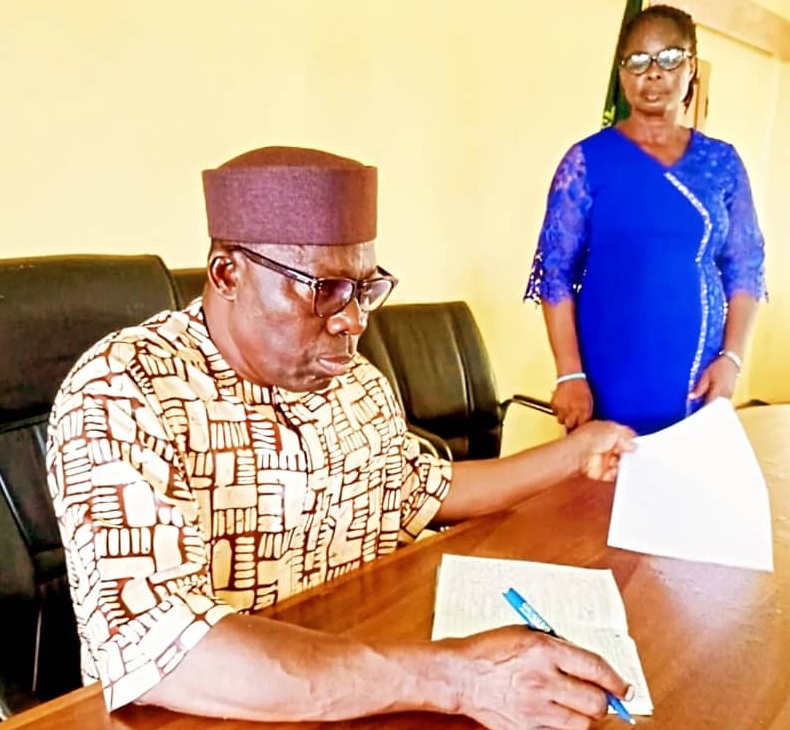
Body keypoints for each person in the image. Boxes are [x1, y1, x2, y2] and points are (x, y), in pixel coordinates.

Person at [47, 145, 635, 730]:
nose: (354, 319)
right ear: (228, 274)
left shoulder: (355, 382)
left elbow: (422, 489)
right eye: (323, 288)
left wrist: (575, 451)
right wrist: (459, 678)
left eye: (364, 289)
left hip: (355, 691)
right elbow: (169, 655)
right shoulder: (123, 390)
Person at [524, 4, 767, 436]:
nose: (652, 73)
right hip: (607, 371)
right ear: (621, 74)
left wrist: (732, 358)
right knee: (606, 473)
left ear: (691, 67)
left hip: (699, 374)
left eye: (669, 58)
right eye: (637, 60)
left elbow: (746, 267)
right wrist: (569, 373)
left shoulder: (721, 164)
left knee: (688, 474)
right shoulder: (585, 162)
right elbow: (555, 273)